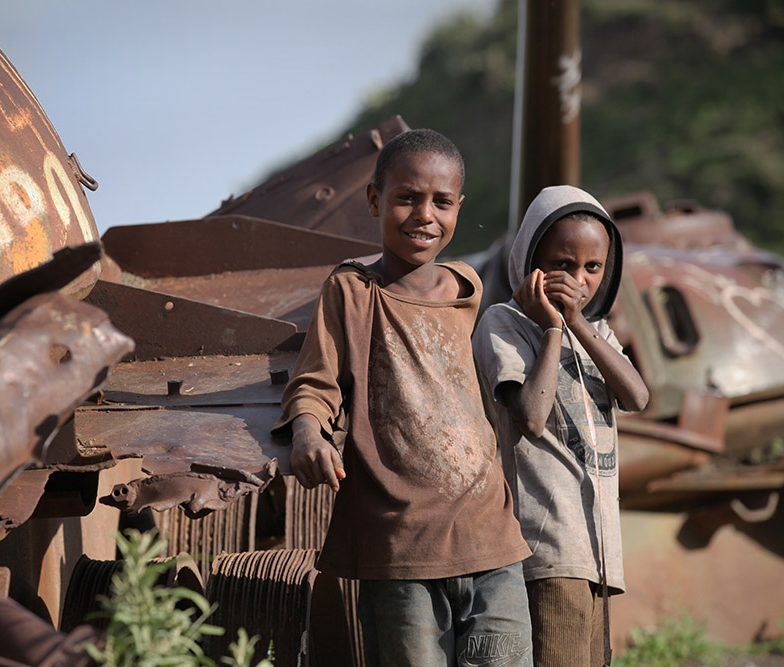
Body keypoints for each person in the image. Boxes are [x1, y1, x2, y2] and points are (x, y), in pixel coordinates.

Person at [272, 128, 534, 667]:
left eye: (441, 202)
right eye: (407, 198)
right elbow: (316, 381)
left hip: (490, 534)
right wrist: (306, 432)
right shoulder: (351, 291)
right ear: (375, 199)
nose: (424, 215)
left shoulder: (467, 291)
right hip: (400, 546)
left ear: (459, 207)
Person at [472, 185, 649, 667]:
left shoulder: (599, 333)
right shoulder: (504, 324)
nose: (578, 279)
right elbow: (529, 416)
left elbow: (637, 396)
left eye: (592, 268)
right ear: (532, 261)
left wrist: (579, 324)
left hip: (599, 554)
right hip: (548, 548)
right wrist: (553, 327)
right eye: (562, 264)